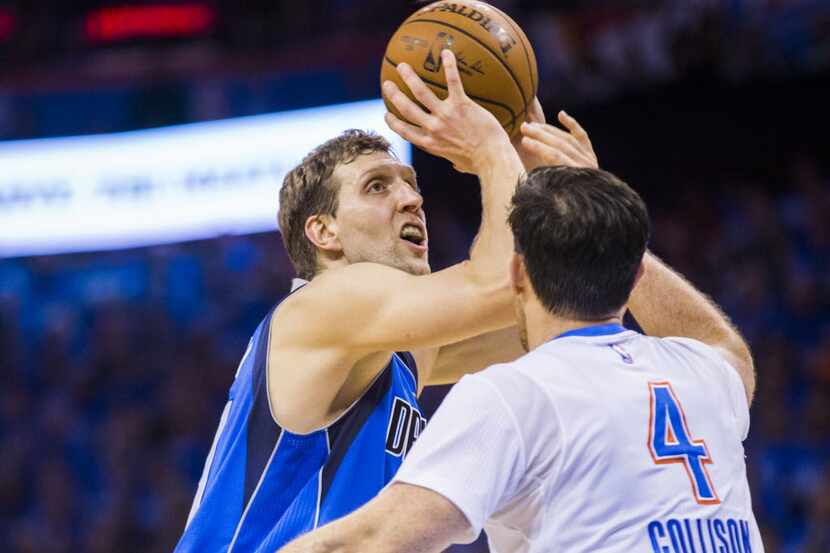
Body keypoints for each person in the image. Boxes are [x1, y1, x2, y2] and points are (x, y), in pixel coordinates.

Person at [174, 50, 595, 552]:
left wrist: (565, 193)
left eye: (411, 186)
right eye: (377, 187)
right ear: (323, 232)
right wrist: (490, 150)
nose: (411, 199)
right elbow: (497, 286)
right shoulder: (328, 303)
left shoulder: (393, 347)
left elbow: (549, 323)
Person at [278, 162, 762, 551]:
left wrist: (488, 141)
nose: (412, 198)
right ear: (637, 277)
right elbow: (725, 345)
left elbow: (371, 542)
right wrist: (603, 226)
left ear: (516, 272)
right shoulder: (704, 373)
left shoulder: (513, 395)